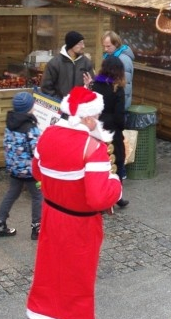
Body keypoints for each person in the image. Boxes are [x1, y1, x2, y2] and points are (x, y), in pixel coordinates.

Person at [17, 86, 122, 319]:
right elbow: (99, 197)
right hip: (81, 225)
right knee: (77, 281)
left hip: (52, 217)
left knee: (47, 275)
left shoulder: (48, 135)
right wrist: (115, 183)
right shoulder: (93, 148)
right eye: (96, 116)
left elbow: (37, 171)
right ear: (87, 118)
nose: (98, 120)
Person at [0, 91, 43, 239]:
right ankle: (37, 228)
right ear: (29, 108)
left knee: (12, 193)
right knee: (38, 196)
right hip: (29, 171)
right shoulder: (31, 127)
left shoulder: (10, 123)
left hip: (14, 168)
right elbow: (36, 150)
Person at [91, 56, 128, 204]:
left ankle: (98, 195)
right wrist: (121, 127)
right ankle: (116, 195)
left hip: (96, 128)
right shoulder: (117, 89)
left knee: (98, 162)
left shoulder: (95, 85)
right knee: (116, 161)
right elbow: (120, 115)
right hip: (112, 130)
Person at [40, 31, 94, 101]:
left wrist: (88, 88)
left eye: (83, 43)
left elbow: (92, 85)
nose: (83, 46)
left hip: (80, 107)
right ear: (72, 45)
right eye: (80, 43)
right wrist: (59, 102)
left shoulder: (86, 63)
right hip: (60, 107)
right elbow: (46, 88)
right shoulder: (55, 63)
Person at [101, 31, 135, 110]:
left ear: (116, 44)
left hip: (119, 106)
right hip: (111, 102)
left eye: (108, 46)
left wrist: (121, 108)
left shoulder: (123, 60)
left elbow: (126, 86)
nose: (105, 49)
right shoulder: (109, 57)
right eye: (104, 46)